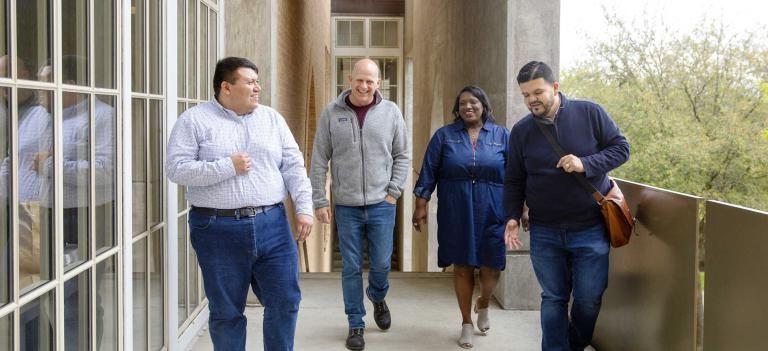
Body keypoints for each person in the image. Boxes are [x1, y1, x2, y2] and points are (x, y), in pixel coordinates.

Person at [167, 57, 313, 351]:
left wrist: (304, 207)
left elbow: (294, 165)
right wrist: (227, 166)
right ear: (226, 87)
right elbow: (176, 169)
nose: (258, 88)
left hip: (272, 224)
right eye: (250, 82)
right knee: (226, 312)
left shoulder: (272, 119)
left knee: (285, 300)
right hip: (217, 228)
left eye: (258, 81)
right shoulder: (194, 120)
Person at [503, 61, 630, 351]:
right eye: (525, 95)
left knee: (589, 299)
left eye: (537, 92)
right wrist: (511, 216)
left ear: (555, 87)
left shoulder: (590, 113)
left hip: (590, 228)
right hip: (545, 230)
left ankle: (571, 345)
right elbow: (514, 179)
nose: (531, 100)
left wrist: (585, 163)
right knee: (553, 298)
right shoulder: (522, 132)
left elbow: (622, 149)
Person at [310, 58, 409, 351]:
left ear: (378, 83)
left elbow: (402, 154)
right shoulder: (332, 113)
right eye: (359, 79)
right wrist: (320, 199)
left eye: (370, 81)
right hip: (346, 206)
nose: (364, 86)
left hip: (383, 203)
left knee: (380, 264)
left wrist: (393, 192)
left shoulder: (391, 112)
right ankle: (356, 322)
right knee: (351, 266)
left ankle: (377, 295)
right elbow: (319, 159)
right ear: (349, 80)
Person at [412, 86, 509, 349]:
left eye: (474, 102)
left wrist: (522, 207)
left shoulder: (502, 136)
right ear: (458, 109)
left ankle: (485, 302)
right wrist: (421, 205)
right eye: (463, 103)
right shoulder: (444, 136)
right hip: (456, 208)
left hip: (494, 208)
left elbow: (517, 174)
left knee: (493, 264)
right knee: (463, 265)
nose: (468, 106)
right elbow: (429, 171)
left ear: (484, 105)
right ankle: (466, 321)